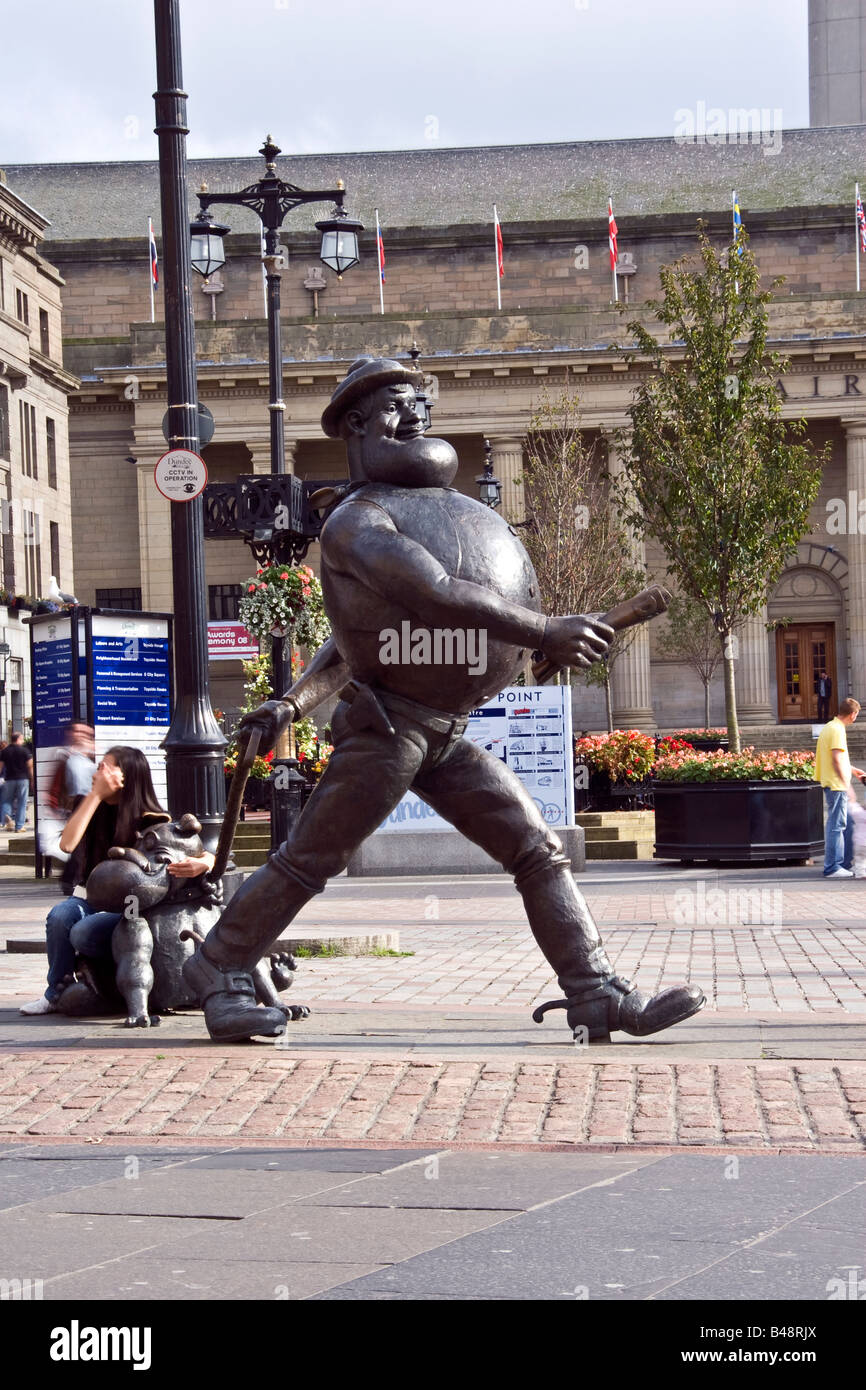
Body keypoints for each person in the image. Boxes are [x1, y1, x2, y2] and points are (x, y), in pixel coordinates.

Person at [182, 357, 705, 1043]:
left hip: (441, 732)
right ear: (359, 427)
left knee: (536, 850)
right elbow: (429, 591)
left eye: (420, 400)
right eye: (400, 404)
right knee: (309, 859)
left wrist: (290, 704)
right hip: (388, 730)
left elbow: (358, 641)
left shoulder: (411, 509)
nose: (417, 414)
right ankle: (218, 964)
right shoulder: (354, 523)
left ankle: (595, 991)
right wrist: (546, 628)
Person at [19, 746, 215, 1015]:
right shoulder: (89, 806)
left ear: (126, 777)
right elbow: (67, 844)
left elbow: (206, 854)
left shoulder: (152, 820)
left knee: (83, 932)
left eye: (105, 766)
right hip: (89, 897)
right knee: (61, 916)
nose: (97, 771)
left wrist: (203, 863)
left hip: (130, 909)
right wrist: (95, 795)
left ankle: (109, 981)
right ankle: (55, 993)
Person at [814, 697, 865, 878]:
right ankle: (833, 867)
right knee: (837, 826)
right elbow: (836, 759)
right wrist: (846, 784)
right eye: (856, 715)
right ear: (852, 714)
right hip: (836, 784)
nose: (856, 718)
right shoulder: (838, 731)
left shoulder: (830, 727)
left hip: (832, 782)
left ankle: (841, 864)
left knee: (843, 824)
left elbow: (837, 758)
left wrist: (854, 770)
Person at [0, 732, 33, 832]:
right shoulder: (24, 751)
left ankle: (7, 821)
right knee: (22, 803)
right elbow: (30, 766)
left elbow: (0, 766)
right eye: (22, 739)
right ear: (18, 739)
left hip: (9, 779)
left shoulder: (5, 751)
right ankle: (19, 826)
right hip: (23, 779)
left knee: (6, 801)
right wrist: (32, 779)